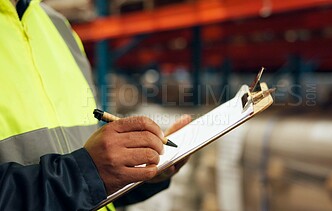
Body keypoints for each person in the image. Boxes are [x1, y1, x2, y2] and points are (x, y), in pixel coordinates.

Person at [0, 0, 191, 210]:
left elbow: (89, 184)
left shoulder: (57, 26)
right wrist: (84, 174)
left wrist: (138, 173)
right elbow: (83, 175)